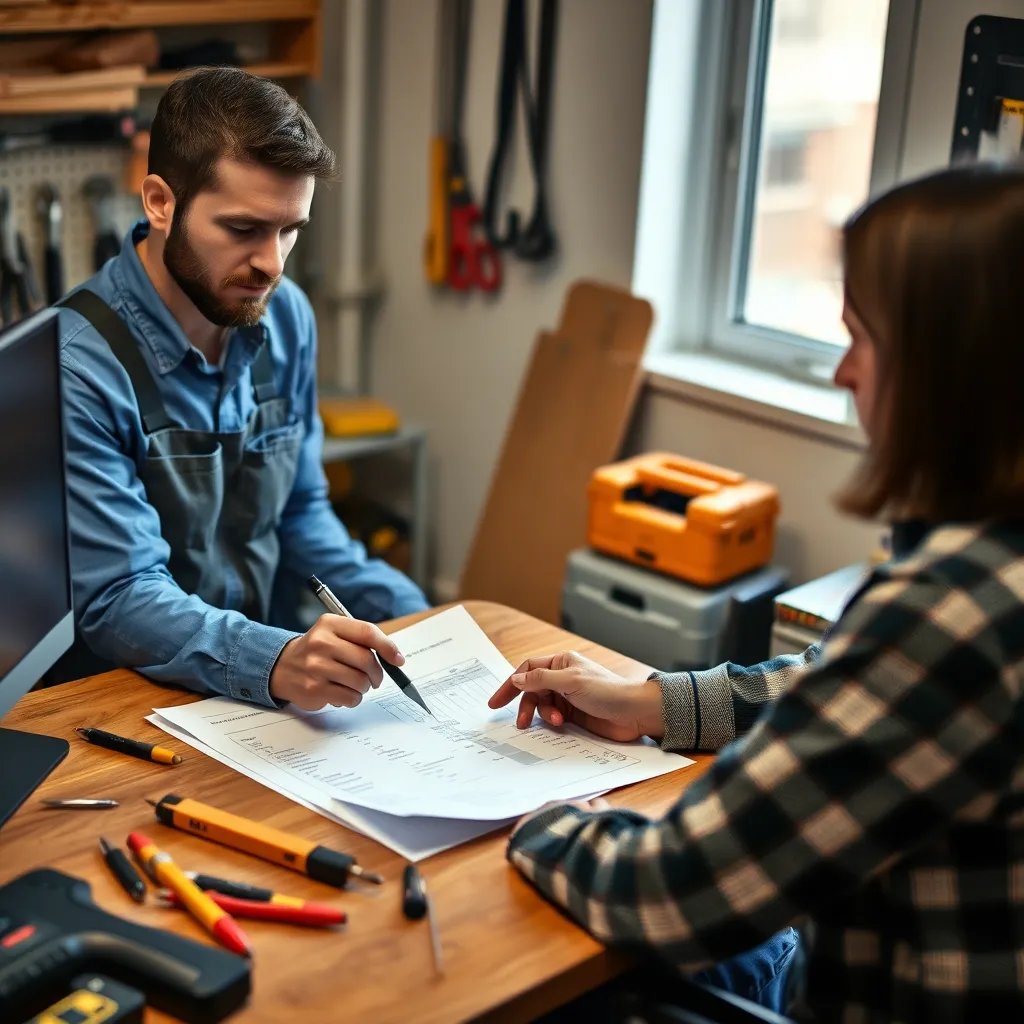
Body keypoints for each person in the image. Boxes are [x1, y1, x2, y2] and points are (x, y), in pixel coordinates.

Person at [490, 163, 1024, 1021]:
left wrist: (540, 820)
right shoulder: (983, 571)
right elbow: (836, 682)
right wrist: (652, 702)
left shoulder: (952, 610)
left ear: (944, 370)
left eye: (862, 337)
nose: (844, 374)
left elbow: (673, 892)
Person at [56, 68, 428, 709]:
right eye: (243, 229)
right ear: (160, 202)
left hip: (252, 694)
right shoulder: (75, 366)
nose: (273, 265)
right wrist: (277, 659)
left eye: (290, 230)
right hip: (126, 706)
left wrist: (422, 625)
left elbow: (302, 517)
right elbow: (120, 595)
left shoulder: (286, 317)